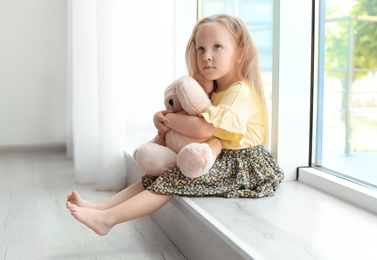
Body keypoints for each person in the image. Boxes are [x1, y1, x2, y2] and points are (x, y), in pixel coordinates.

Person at [66, 14, 284, 236]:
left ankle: (107, 220)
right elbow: (187, 115)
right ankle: (101, 209)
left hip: (241, 166)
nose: (207, 56)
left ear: (240, 53)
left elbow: (203, 128)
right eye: (201, 49)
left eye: (217, 47)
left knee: (173, 177)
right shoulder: (213, 89)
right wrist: (161, 118)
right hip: (217, 155)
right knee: (158, 175)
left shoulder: (240, 91)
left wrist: (168, 120)